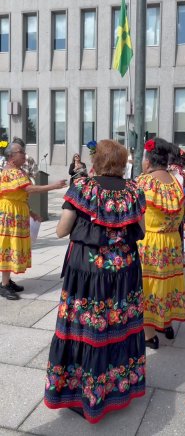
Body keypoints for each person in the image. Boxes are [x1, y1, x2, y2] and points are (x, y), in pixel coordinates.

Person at [44, 139, 146, 423]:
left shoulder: (83, 187)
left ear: (97, 161)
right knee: (118, 327)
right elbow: (142, 229)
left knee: (85, 330)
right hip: (124, 271)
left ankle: (82, 394)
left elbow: (62, 231)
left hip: (88, 274)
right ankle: (115, 388)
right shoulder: (134, 189)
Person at [0, 142, 67, 300]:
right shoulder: (10, 172)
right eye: (20, 152)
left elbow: (18, 194)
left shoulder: (17, 171)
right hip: (9, 214)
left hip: (16, 211)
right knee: (8, 246)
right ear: (11, 157)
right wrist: (53, 186)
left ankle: (7, 281)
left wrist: (30, 212)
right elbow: (27, 189)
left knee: (13, 245)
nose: (24, 154)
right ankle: (3, 285)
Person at [137, 138, 185, 349]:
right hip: (172, 241)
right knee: (167, 283)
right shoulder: (175, 181)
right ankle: (166, 323)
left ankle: (149, 334)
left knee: (148, 285)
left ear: (148, 161)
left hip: (150, 241)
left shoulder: (143, 182)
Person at [168, 143, 185, 268]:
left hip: (170, 206)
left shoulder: (169, 171)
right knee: (180, 234)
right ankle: (180, 259)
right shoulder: (184, 173)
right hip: (182, 205)